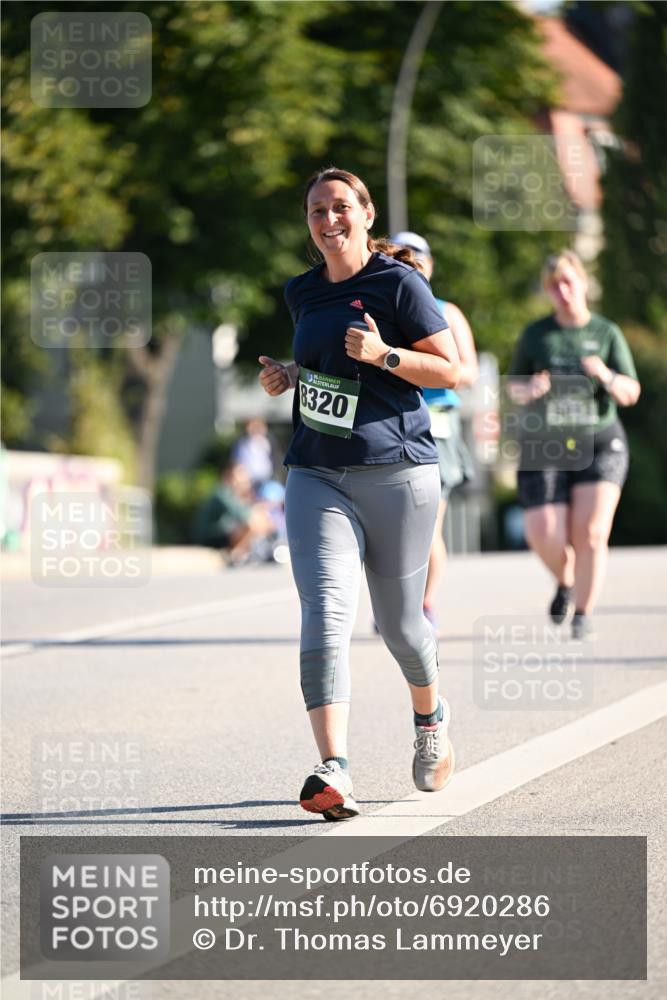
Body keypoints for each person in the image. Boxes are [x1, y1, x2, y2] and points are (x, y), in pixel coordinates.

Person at [258, 167, 461, 821]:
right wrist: (291, 375)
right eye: (317, 210)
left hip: (397, 472)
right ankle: (333, 769)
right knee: (324, 612)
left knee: (400, 626)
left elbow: (451, 368)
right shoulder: (302, 292)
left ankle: (429, 720)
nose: (328, 219)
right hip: (317, 470)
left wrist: (383, 355)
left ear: (366, 215)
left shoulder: (398, 283)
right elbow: (323, 365)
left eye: (340, 207)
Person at [507, 250, 640, 640]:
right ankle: (566, 580)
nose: (563, 291)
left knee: (592, 531)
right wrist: (529, 388)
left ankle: (582, 613)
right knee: (541, 532)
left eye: (568, 281)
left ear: (582, 283)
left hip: (600, 439)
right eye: (554, 285)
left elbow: (631, 391)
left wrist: (606, 375)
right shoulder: (536, 335)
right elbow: (513, 385)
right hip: (547, 441)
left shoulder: (606, 332)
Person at [390, 232, 478, 632]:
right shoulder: (386, 309)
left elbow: (468, 373)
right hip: (392, 423)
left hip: (436, 425)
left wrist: (429, 372)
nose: (409, 263)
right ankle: (396, 604)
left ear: (429, 263)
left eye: (416, 257)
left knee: (428, 524)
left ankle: (424, 604)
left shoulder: (447, 311)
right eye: (399, 256)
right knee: (393, 524)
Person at [191, 460, 277, 565]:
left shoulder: (232, 493)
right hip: (211, 535)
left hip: (224, 532)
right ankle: (236, 555)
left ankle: (263, 550)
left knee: (260, 521)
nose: (242, 481)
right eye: (239, 476)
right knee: (252, 525)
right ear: (228, 475)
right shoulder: (221, 492)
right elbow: (243, 515)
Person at [231, 418, 275, 493]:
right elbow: (236, 462)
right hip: (247, 482)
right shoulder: (242, 444)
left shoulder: (268, 442)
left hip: (266, 480)